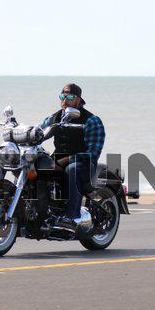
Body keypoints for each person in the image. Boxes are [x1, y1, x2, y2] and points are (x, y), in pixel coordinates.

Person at [40, 83, 105, 229]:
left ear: (78, 99)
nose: (65, 100)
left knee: (72, 169)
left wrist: (67, 160)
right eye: (62, 96)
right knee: (35, 164)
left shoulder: (91, 120)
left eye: (69, 97)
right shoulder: (55, 117)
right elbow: (39, 131)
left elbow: (93, 153)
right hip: (58, 159)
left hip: (84, 164)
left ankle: (72, 216)